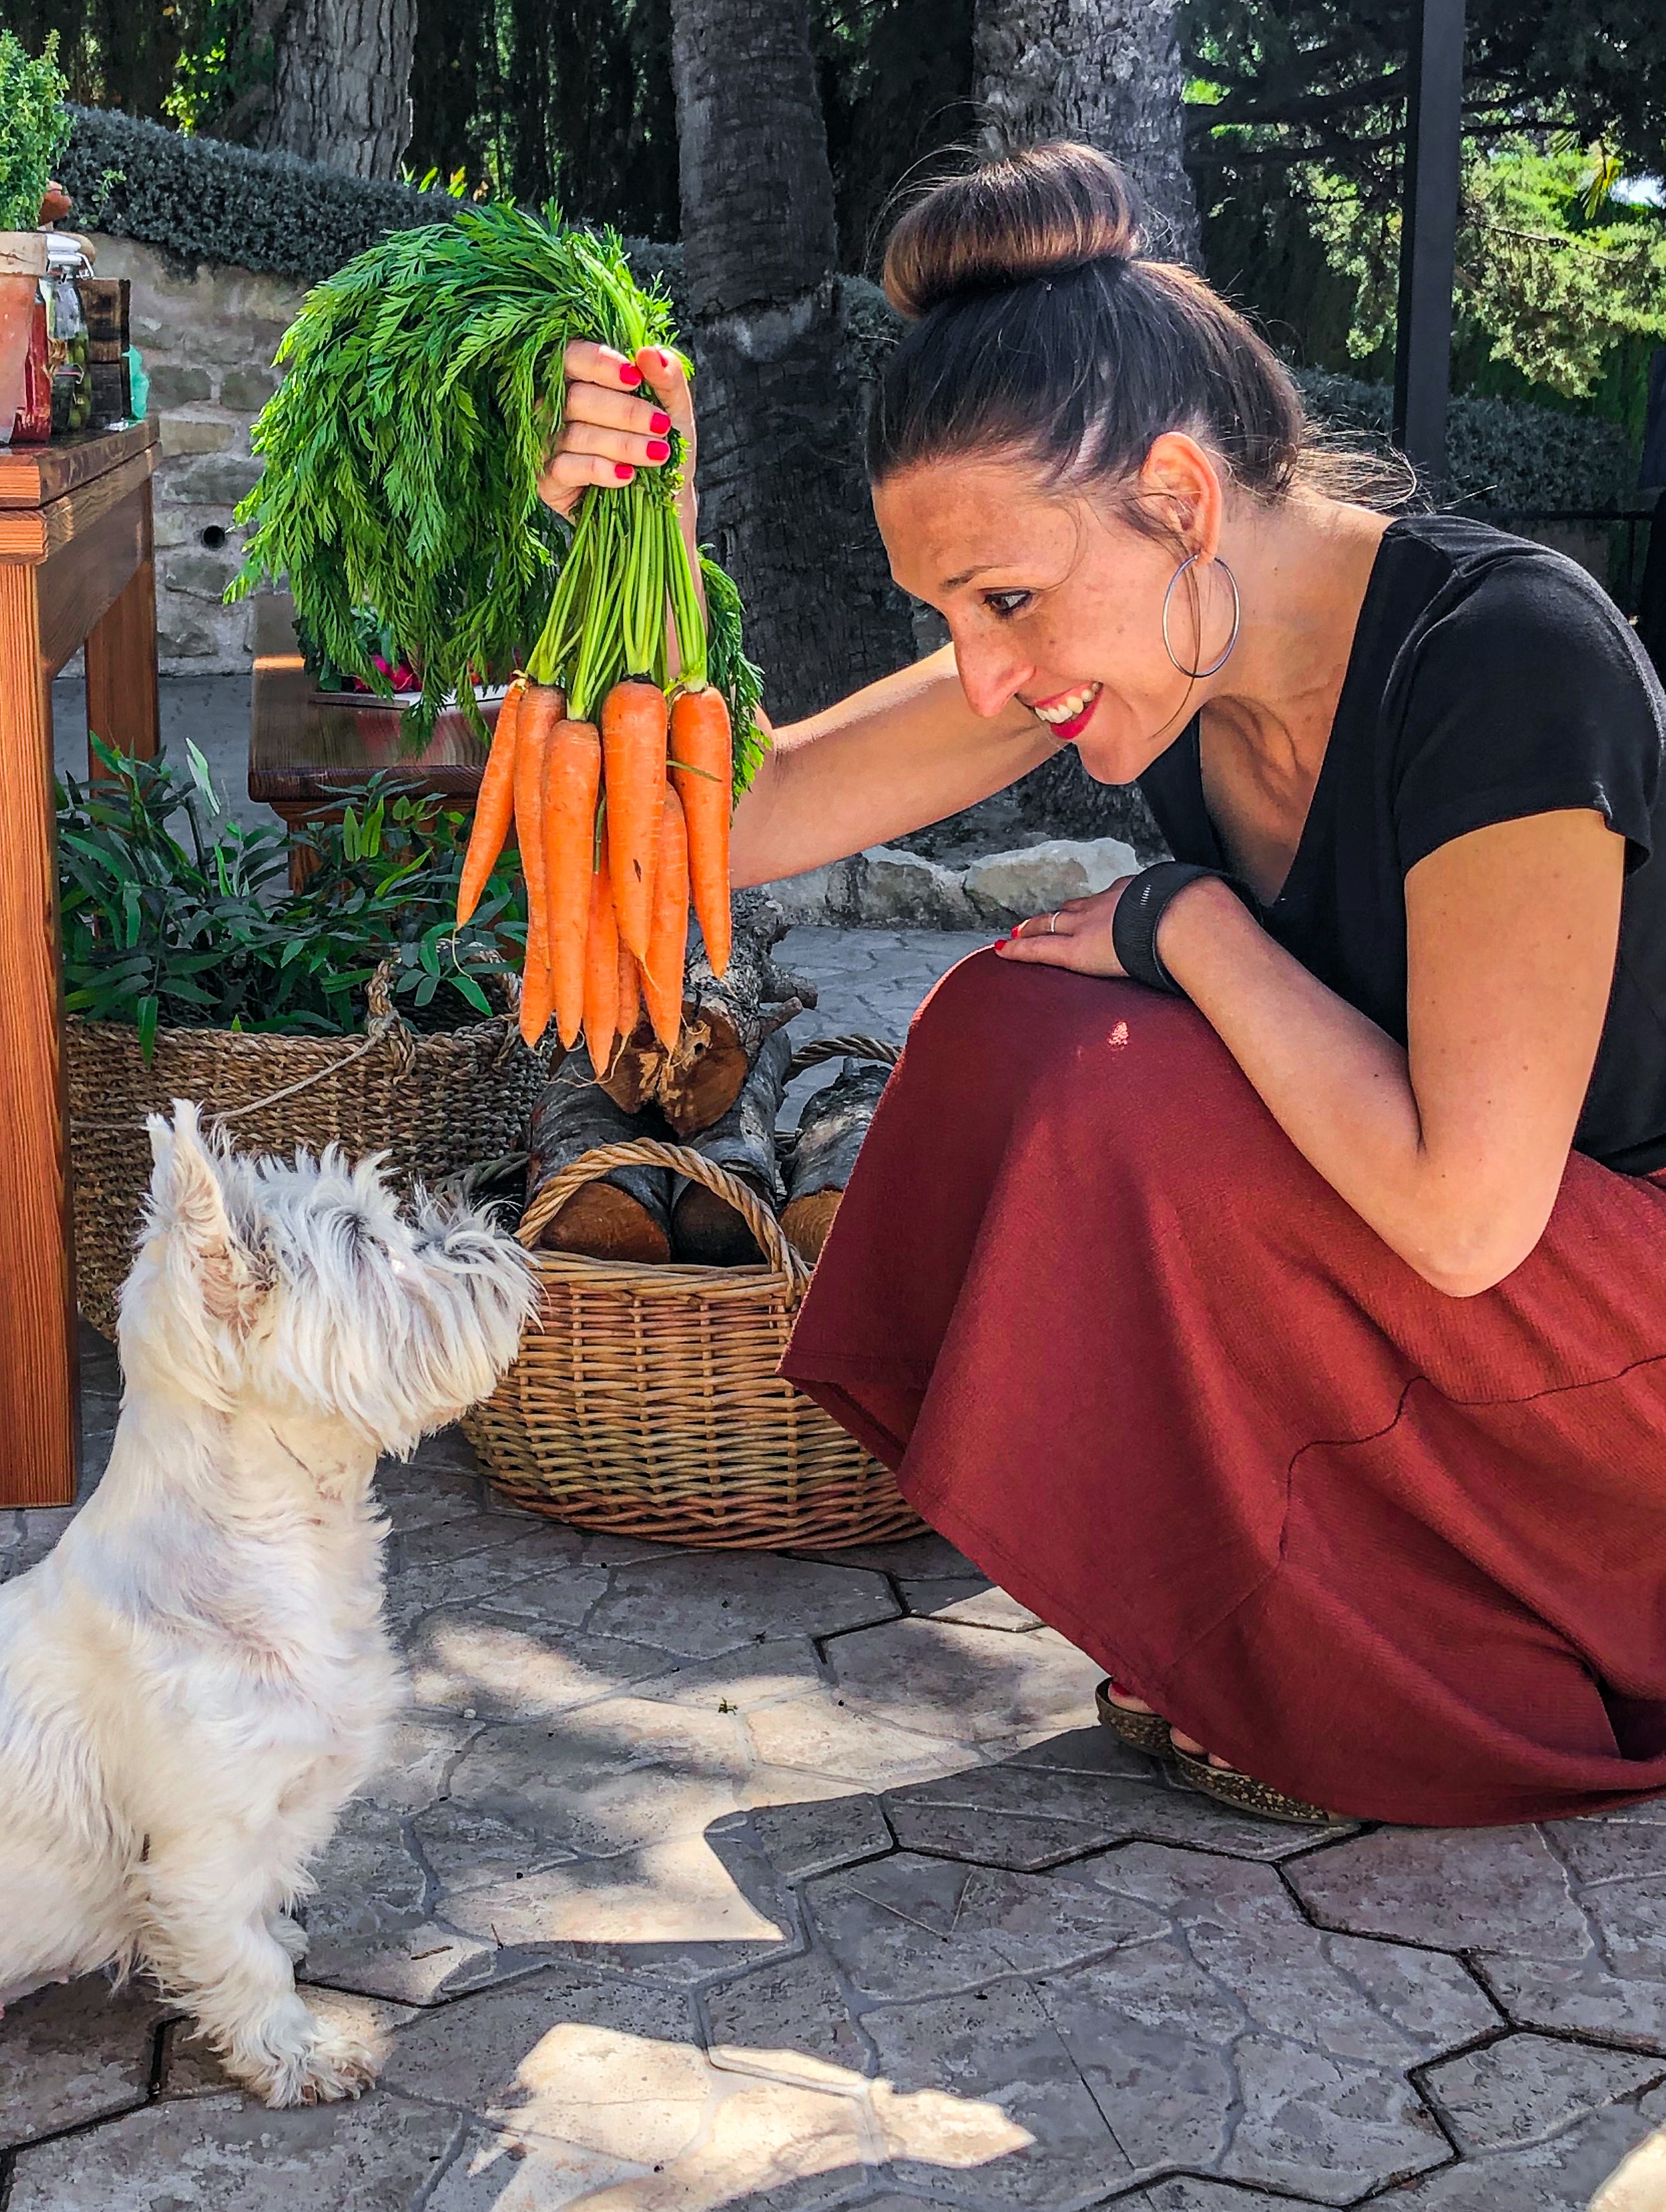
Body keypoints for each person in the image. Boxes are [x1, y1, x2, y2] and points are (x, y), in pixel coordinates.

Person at [536, 141, 1666, 1829]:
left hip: (1617, 1371)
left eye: (1005, 601)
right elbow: (740, 818)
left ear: (1183, 500)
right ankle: (1290, 1609)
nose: (989, 675)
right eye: (953, 616)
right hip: (1490, 1330)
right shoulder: (1163, 630)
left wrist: (1188, 924)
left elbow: (1467, 1213)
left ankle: (1427, 1647)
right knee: (1015, 1025)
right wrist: (640, 542)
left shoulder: (1508, 657)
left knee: (1123, 1068)